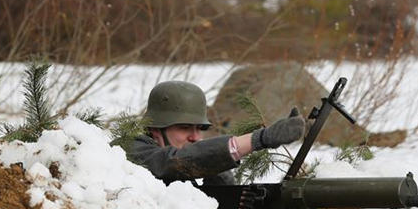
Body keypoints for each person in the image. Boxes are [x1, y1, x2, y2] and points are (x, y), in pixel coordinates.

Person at [125, 81, 305, 185]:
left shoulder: (206, 170)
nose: (195, 137)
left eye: (200, 128)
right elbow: (172, 162)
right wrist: (259, 139)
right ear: (155, 128)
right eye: (184, 127)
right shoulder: (129, 152)